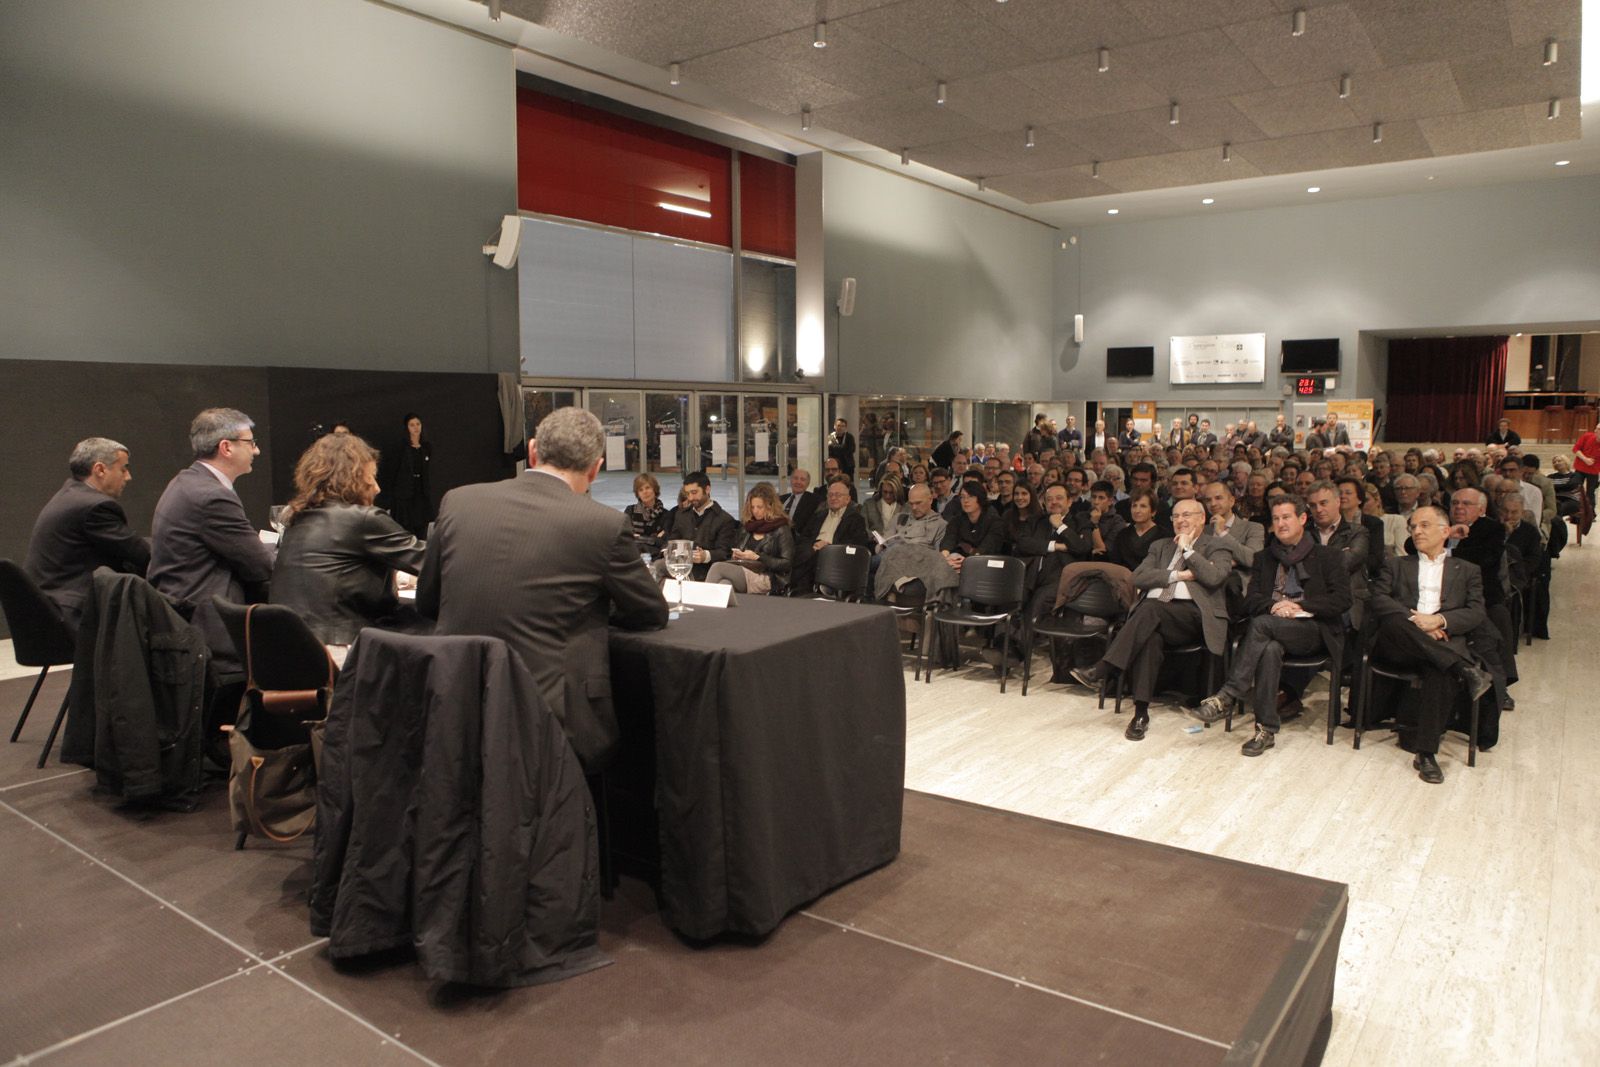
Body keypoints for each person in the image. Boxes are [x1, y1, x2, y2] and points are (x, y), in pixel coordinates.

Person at [416, 407, 667, 771]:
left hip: (454, 712)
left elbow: (428, 602)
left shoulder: (458, 501)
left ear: (532, 451)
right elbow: (650, 612)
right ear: (596, 469)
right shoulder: (604, 524)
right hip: (552, 728)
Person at [1195, 496, 1352, 756]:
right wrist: (1274, 606)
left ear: (1302, 519)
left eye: (1286, 517)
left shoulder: (1328, 556)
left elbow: (1342, 599)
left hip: (1313, 630)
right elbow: (1251, 600)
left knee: (1262, 625)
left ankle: (1229, 694)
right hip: (1273, 626)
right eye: (1276, 518)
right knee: (1269, 647)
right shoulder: (1265, 558)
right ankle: (1265, 729)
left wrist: (1303, 607)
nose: (1280, 523)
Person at [1072, 500, 1233, 741]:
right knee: (1150, 637)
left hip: (1193, 616)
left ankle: (1105, 668)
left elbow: (1213, 577)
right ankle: (1140, 713)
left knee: (1149, 609)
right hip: (1156, 615)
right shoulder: (1161, 546)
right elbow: (1139, 577)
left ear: (1201, 518)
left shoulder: (1217, 546)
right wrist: (1178, 575)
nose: (1180, 520)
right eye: (1176, 516)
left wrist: (1189, 551)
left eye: (1187, 515)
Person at [1367, 505, 1493, 783]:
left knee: (1440, 669)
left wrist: (1440, 621)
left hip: (1441, 641)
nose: (1416, 531)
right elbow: (1379, 599)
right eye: (1413, 526)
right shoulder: (1397, 563)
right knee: (1395, 620)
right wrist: (1418, 622)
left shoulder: (1468, 570)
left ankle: (1425, 754)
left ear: (1445, 531)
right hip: (1399, 643)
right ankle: (1465, 669)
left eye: (1424, 525)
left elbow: (1476, 612)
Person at [148, 408, 277, 672]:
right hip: (207, 627)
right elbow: (262, 565)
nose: (256, 451)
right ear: (226, 447)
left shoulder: (187, 481)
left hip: (180, 613)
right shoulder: (211, 496)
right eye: (250, 442)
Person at [269, 433, 426, 645]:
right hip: (339, 648)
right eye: (371, 476)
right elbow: (431, 561)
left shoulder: (297, 519)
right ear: (353, 476)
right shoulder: (362, 519)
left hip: (290, 649)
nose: (377, 488)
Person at [24, 437, 150, 631]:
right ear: (100, 470)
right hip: (73, 616)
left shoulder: (71, 494)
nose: (128, 477)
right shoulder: (94, 506)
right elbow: (141, 553)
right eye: (123, 469)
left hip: (46, 612)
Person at [706, 483, 794, 595]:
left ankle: (701, 604)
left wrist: (758, 557)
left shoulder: (781, 528)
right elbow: (736, 549)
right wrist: (736, 555)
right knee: (725, 584)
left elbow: (786, 564)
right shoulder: (747, 526)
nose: (755, 511)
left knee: (717, 567)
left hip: (769, 577)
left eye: (759, 507)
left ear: (770, 506)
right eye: (752, 507)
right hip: (745, 569)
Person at [792, 477, 871, 594]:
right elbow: (804, 537)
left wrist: (829, 547)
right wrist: (814, 544)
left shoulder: (855, 519)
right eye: (830, 495)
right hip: (813, 551)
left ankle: (801, 589)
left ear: (848, 499)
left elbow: (857, 543)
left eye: (838, 495)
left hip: (836, 556)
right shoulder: (819, 516)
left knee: (814, 558)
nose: (833, 498)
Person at [659, 471, 740, 580]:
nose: (691, 498)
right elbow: (672, 540)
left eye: (694, 492)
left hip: (708, 570)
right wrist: (666, 551)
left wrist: (705, 556)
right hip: (682, 565)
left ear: (707, 489)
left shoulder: (724, 519)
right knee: (658, 566)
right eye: (687, 494)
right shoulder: (682, 515)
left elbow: (725, 552)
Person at [383, 412, 433, 539]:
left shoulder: (426, 447)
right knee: (407, 527)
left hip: (421, 492)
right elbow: (394, 471)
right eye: (412, 425)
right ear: (407, 428)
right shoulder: (401, 447)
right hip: (405, 493)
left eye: (418, 424)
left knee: (422, 526)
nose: (416, 427)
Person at [940, 482, 1003, 571]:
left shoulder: (994, 521)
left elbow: (988, 546)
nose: (965, 500)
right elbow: (949, 538)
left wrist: (969, 560)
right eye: (962, 497)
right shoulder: (957, 520)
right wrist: (945, 556)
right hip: (961, 561)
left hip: (987, 563)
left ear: (980, 498)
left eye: (971, 496)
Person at [1110, 489, 1169, 570]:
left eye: (1143, 506)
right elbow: (1115, 564)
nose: (1137, 511)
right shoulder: (1122, 535)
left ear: (1153, 512)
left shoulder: (1164, 536)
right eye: (1134, 506)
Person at [863, 475, 905, 543]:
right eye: (885, 492)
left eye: (891, 493)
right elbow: (863, 527)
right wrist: (874, 537)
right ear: (880, 490)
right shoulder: (869, 505)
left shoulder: (904, 507)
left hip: (897, 545)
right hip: (874, 543)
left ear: (897, 492)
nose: (887, 496)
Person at [1573, 418, 1600, 506]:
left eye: (1599, 429)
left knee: (1590, 493)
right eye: (1596, 428)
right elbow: (1576, 449)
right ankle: (1575, 512)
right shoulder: (1587, 436)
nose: (1595, 431)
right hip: (1580, 468)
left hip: (1593, 471)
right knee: (1576, 490)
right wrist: (1585, 459)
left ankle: (1590, 514)